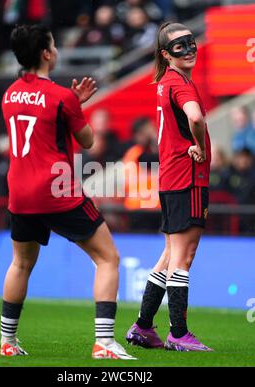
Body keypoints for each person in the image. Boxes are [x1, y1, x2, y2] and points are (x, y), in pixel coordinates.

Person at [0, 24, 135, 360]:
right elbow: (88, 141)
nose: (57, 50)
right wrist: (75, 105)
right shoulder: (61, 97)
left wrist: (70, 105)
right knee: (108, 258)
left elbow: (38, 126)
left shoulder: (9, 94)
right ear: (46, 53)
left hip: (19, 192)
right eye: (54, 45)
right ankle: (104, 343)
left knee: (20, 263)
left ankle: (7, 341)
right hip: (56, 189)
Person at [126, 22, 212, 351]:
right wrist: (201, 147)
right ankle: (179, 333)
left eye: (191, 42)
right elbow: (196, 118)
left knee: (169, 255)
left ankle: (143, 327)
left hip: (171, 177)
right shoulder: (181, 85)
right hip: (187, 177)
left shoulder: (165, 82)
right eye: (180, 46)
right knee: (183, 257)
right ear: (166, 54)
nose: (189, 49)